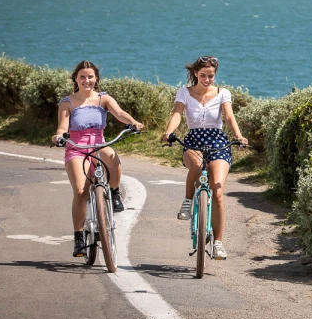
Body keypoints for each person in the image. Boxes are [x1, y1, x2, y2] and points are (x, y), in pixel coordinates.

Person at [52, 60, 145, 257]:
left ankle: (115, 191)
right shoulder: (67, 103)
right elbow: (62, 126)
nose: (87, 80)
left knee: (112, 155)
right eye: (82, 77)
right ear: (76, 79)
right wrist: (59, 136)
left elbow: (120, 113)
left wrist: (133, 122)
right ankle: (79, 236)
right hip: (76, 148)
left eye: (90, 77)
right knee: (80, 191)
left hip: (99, 145)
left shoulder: (103, 99)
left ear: (96, 78)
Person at [161, 56, 248, 260]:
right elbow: (177, 114)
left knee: (217, 191)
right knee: (197, 165)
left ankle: (218, 242)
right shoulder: (185, 91)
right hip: (193, 139)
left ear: (215, 75)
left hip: (217, 140)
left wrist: (238, 136)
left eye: (210, 76)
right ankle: (187, 201)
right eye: (202, 75)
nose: (206, 80)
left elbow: (228, 117)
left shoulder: (223, 93)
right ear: (195, 74)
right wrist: (168, 132)